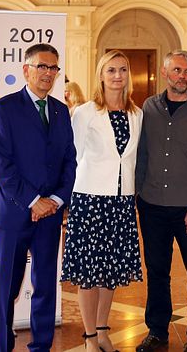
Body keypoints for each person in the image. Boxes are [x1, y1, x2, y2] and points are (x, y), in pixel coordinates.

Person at [0, 43, 77, 352]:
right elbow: (1, 165)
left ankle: (41, 345)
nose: (48, 73)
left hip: (50, 217)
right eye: (41, 66)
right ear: (26, 70)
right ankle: (3, 346)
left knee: (45, 285)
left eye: (53, 68)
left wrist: (54, 199)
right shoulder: (4, 108)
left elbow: (70, 161)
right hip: (14, 215)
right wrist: (33, 201)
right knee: (8, 288)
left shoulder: (61, 110)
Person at [135, 50, 187, 352]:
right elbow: (142, 153)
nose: (182, 76)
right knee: (157, 272)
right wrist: (137, 194)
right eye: (177, 70)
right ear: (165, 72)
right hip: (152, 204)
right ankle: (157, 331)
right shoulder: (149, 107)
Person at [61, 50, 143, 352]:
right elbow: (74, 156)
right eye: (111, 70)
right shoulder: (85, 112)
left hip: (121, 202)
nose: (118, 76)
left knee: (111, 272)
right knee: (89, 272)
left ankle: (104, 331)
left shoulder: (137, 113)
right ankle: (90, 338)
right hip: (90, 199)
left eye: (123, 69)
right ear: (101, 75)